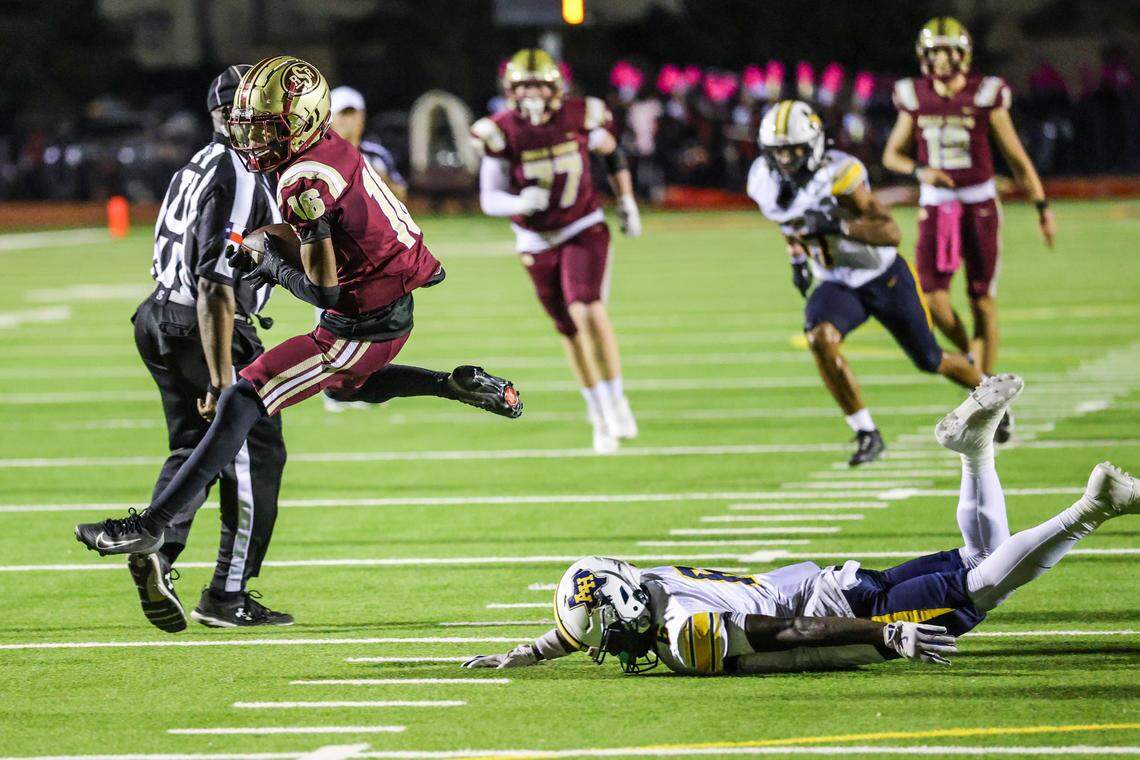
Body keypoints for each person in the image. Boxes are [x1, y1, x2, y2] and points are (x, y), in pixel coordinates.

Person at [74, 56, 522, 569]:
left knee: (245, 395)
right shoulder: (324, 146)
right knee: (344, 383)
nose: (254, 140)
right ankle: (452, 383)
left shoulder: (301, 181)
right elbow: (327, 227)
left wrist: (268, 265)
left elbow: (323, 292)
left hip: (363, 317)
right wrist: (269, 240)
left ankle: (153, 526)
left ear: (300, 123)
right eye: (251, 126)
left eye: (267, 129)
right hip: (383, 306)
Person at [464, 374, 1138, 675]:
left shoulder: (684, 635)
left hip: (834, 607)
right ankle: (976, 450)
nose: (608, 648)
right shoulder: (644, 583)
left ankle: (1092, 507)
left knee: (978, 593)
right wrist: (534, 650)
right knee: (975, 561)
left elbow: (791, 632)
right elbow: (590, 610)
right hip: (827, 581)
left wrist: (884, 637)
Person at [132, 64, 289, 630]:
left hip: (157, 316)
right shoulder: (240, 170)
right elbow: (213, 280)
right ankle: (227, 594)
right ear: (233, 115)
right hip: (206, 323)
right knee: (255, 453)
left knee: (191, 448)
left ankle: (157, 544)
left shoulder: (196, 164)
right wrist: (222, 372)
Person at [747, 99, 983, 466]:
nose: (786, 161)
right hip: (837, 281)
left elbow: (890, 232)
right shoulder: (763, 181)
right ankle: (866, 432)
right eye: (778, 153)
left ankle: (988, 393)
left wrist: (839, 225)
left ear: (812, 146)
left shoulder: (840, 173)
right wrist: (796, 259)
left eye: (793, 151)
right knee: (820, 338)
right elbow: (788, 224)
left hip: (883, 275)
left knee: (930, 359)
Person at [470, 49, 641, 453]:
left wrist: (627, 200)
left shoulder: (582, 115)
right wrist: (518, 204)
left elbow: (612, 150)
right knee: (567, 327)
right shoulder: (499, 131)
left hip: (582, 224)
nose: (531, 94)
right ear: (510, 91)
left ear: (556, 88)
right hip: (535, 238)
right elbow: (489, 198)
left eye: (538, 85)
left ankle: (618, 400)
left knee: (587, 309)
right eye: (523, 86)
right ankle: (598, 410)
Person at [882, 16, 1057, 404]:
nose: (941, 61)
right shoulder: (913, 96)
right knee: (934, 300)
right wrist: (920, 169)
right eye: (934, 53)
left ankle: (987, 392)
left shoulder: (985, 94)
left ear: (963, 54)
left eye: (947, 52)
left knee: (981, 299)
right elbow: (892, 154)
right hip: (936, 205)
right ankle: (975, 369)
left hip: (979, 203)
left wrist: (1041, 205)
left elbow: (1016, 156)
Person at [321, 85, 409, 412]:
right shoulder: (320, 156)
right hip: (336, 249)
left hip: (372, 252)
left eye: (352, 113)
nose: (348, 121)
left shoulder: (375, 154)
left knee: (373, 319)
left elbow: (399, 195)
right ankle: (333, 388)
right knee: (333, 316)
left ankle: (362, 383)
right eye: (341, 114)